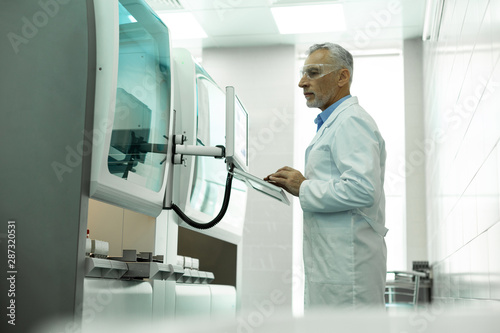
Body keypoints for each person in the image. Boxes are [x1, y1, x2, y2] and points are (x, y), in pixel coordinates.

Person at [265, 43, 388, 310]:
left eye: (313, 73)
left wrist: (303, 187)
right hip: (338, 267)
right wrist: (299, 185)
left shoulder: (351, 121)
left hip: (349, 270)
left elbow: (363, 189)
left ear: (342, 77)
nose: (301, 83)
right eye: (302, 73)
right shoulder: (333, 124)